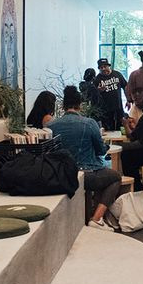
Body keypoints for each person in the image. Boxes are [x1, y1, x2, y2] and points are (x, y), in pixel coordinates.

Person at [47, 86, 125, 232]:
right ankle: (97, 218)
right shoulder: (89, 123)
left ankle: (91, 216)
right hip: (87, 174)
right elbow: (101, 151)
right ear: (80, 105)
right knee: (114, 177)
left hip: (61, 175)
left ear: (63, 105)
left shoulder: (51, 125)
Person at [92, 58, 127, 131]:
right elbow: (94, 96)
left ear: (109, 66)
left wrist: (128, 100)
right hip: (106, 110)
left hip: (118, 106)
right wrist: (99, 90)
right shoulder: (97, 79)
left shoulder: (117, 74)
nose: (103, 69)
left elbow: (125, 86)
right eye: (101, 67)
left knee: (121, 127)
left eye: (105, 66)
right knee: (109, 129)